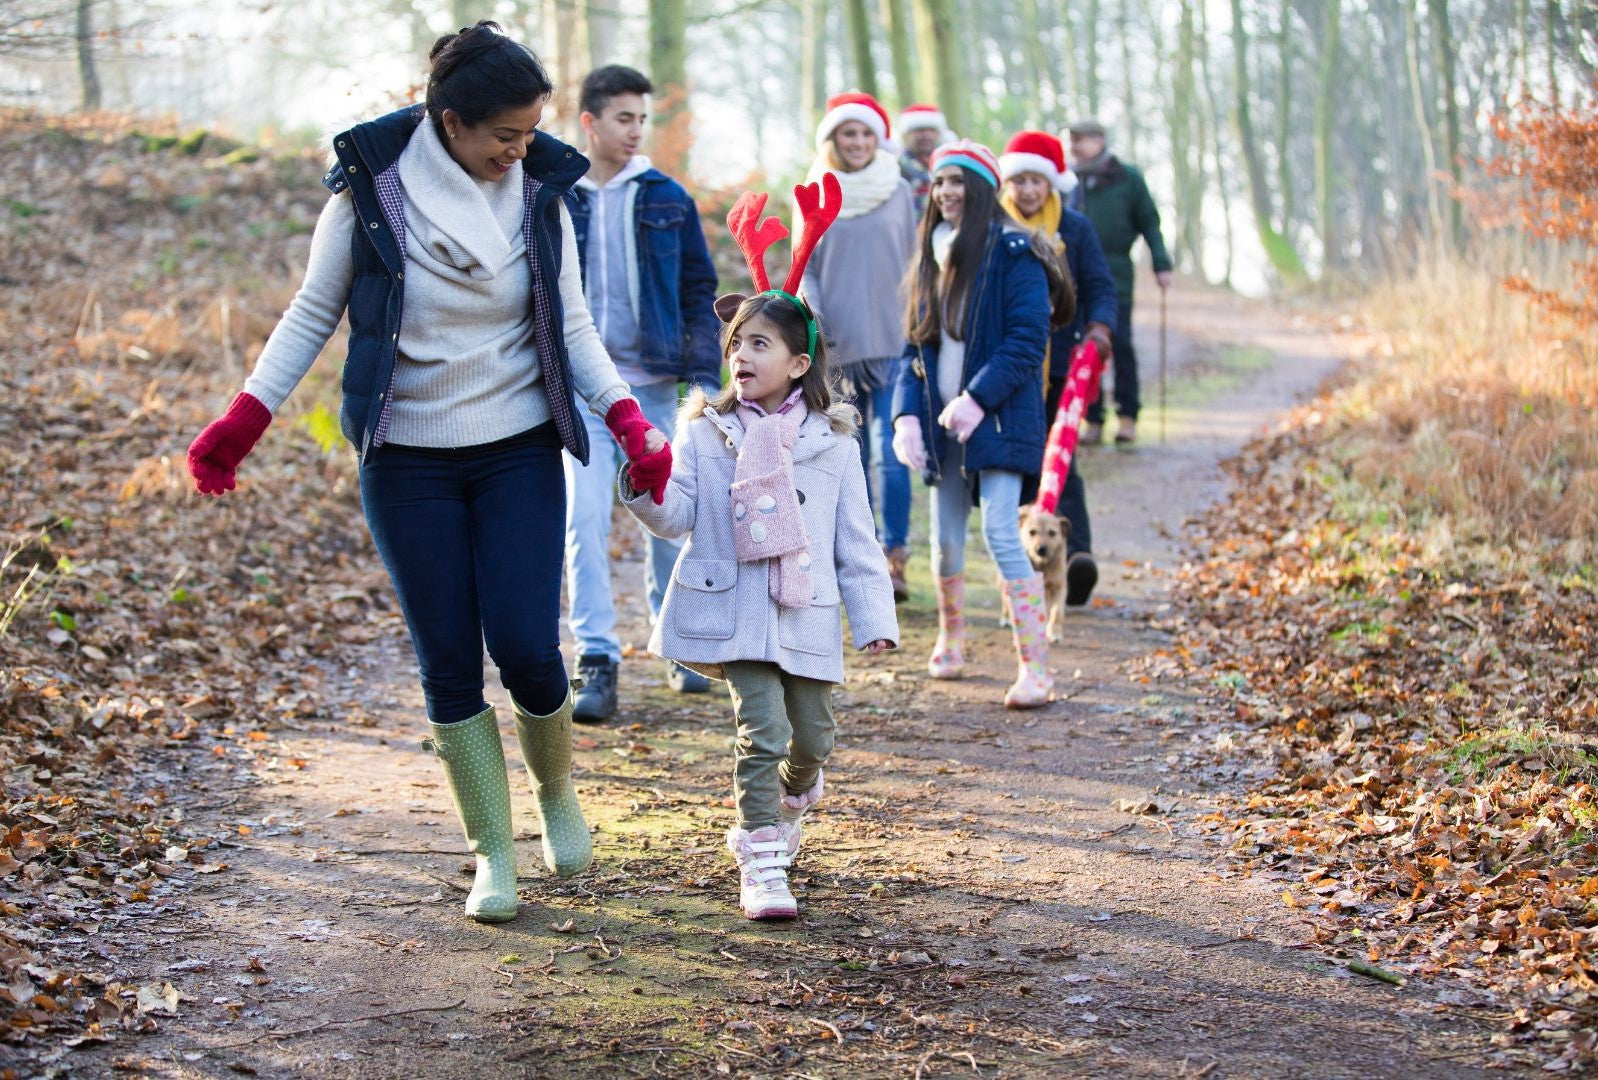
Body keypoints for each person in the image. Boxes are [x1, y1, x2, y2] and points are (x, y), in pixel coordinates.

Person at [184, 23, 673, 924]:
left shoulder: (540, 195)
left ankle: (556, 791)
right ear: (450, 121)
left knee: (527, 644)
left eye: (531, 135)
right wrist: (243, 419)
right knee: (447, 658)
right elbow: (310, 316)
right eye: (504, 137)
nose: (521, 152)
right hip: (407, 458)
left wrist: (628, 421)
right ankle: (491, 850)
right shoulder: (371, 195)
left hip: (518, 445)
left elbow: (571, 332)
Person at [622, 179, 899, 920]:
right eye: (735, 343)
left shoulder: (834, 445)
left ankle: (793, 799)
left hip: (805, 609)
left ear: (800, 364)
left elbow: (857, 540)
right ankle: (762, 858)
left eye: (759, 343)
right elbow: (677, 512)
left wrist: (875, 616)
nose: (741, 355)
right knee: (762, 729)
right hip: (736, 604)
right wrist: (644, 483)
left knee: (812, 739)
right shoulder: (706, 430)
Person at [562, 64, 723, 721]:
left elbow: (697, 291)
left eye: (642, 119)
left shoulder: (666, 198)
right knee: (584, 518)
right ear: (590, 122)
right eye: (623, 118)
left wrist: (706, 381)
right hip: (579, 393)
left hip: (653, 385)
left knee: (668, 520)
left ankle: (677, 639)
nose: (635, 131)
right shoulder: (554, 194)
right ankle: (595, 656)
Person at [890, 141, 1072, 708]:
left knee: (998, 529)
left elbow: (1026, 340)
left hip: (997, 417)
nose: (947, 191)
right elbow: (912, 348)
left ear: (982, 190)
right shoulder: (930, 254)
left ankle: (1035, 668)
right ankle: (952, 638)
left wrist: (976, 397)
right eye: (941, 181)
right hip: (940, 422)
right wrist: (904, 417)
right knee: (944, 542)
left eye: (959, 181)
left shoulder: (1013, 252)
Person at [800, 92, 917, 601]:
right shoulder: (815, 190)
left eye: (867, 133)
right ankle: (861, 557)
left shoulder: (900, 190)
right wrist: (817, 327)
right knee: (852, 454)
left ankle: (896, 558)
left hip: (895, 339)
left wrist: (919, 323)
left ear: (879, 139)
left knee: (894, 453)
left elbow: (916, 260)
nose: (858, 142)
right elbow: (807, 266)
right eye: (849, 133)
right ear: (832, 139)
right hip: (837, 344)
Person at [998, 130, 1117, 606]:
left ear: (1052, 184)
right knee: (1021, 466)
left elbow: (1100, 288)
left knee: (1062, 462)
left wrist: (1100, 329)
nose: (1028, 191)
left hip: (1062, 366)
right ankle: (1024, 566)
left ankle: (1077, 557)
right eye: (1020, 181)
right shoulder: (992, 229)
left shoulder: (1075, 229)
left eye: (1037, 182)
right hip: (1009, 369)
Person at [1066, 117, 1173, 445]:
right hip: (1073, 276)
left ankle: (1128, 416)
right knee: (1081, 346)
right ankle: (1092, 419)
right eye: (1071, 140)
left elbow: (1149, 223)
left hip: (1115, 275)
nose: (1075, 147)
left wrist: (1161, 263)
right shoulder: (1068, 181)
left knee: (1119, 344)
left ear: (1099, 141)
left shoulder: (1127, 178)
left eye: (1081, 140)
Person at [897, 102, 950, 216]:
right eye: (920, 130)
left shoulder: (948, 165)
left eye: (931, 130)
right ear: (906, 134)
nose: (926, 135)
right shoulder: (895, 168)